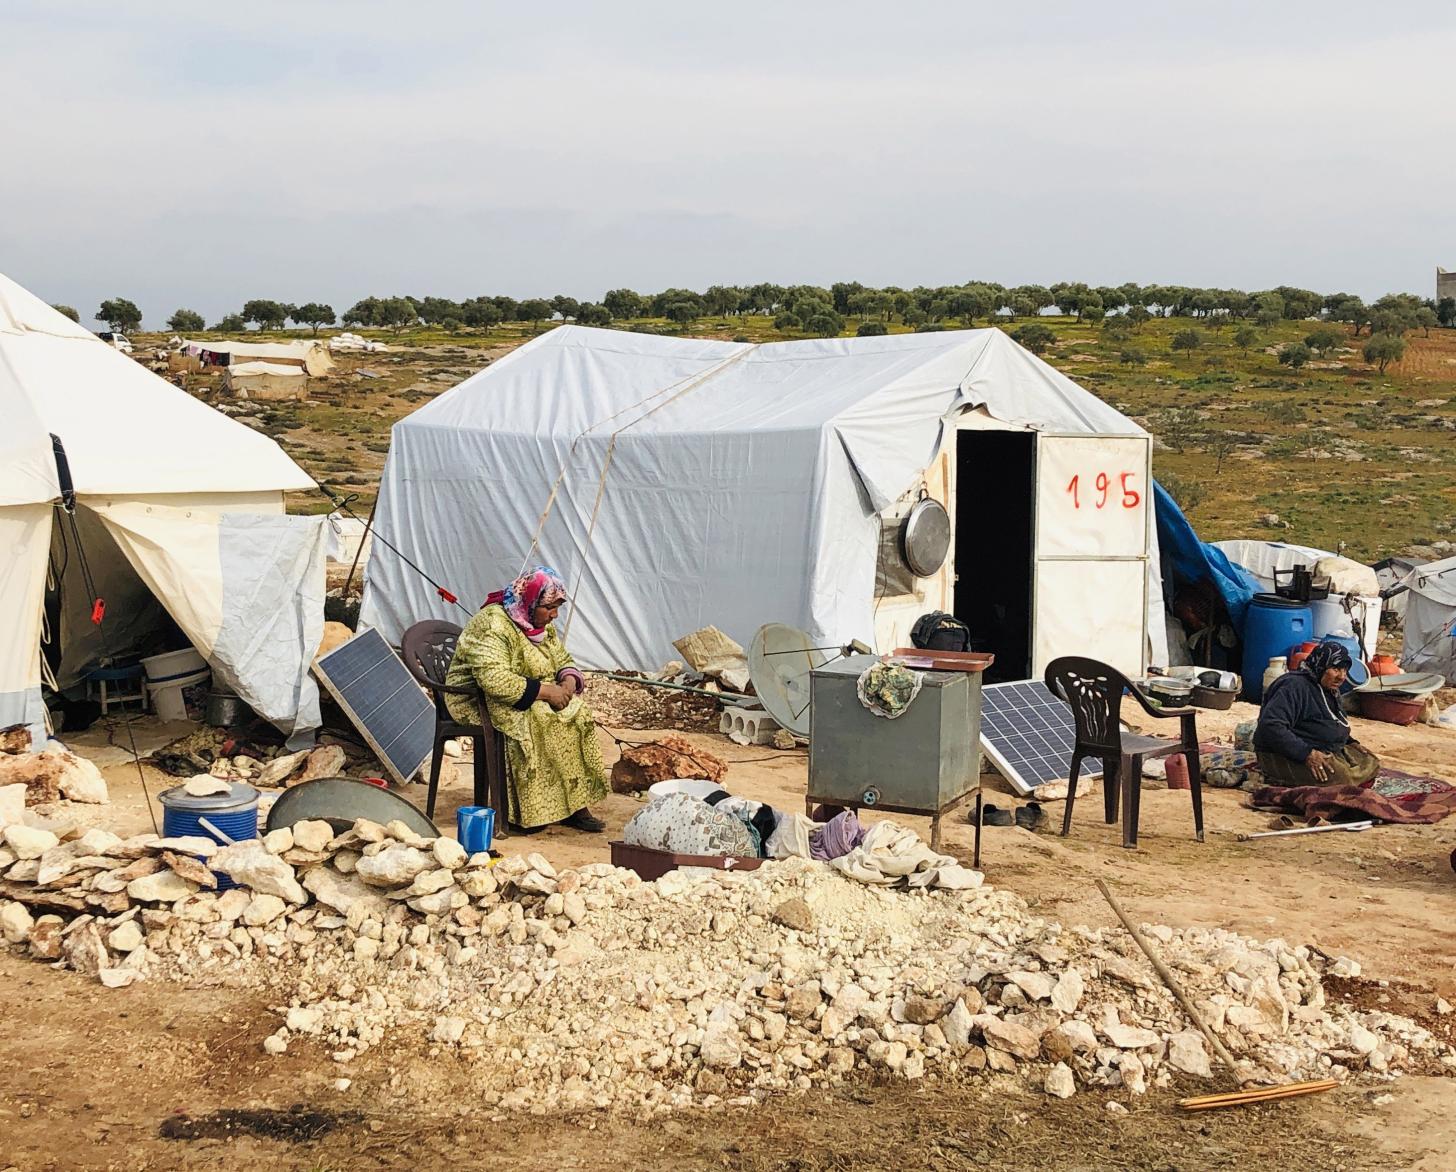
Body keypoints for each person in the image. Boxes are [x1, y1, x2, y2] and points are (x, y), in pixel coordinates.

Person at [444, 566, 607, 833]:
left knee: (577, 713)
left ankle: (574, 805)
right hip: (477, 699)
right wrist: (547, 692)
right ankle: (529, 812)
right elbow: (493, 679)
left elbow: (562, 659)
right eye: (549, 607)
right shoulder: (493, 623)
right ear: (529, 601)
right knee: (539, 719)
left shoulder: (540, 624)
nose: (554, 615)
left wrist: (566, 683)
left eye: (558, 607)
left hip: (526, 691)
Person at [1253, 641, 1380, 787]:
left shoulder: (1328, 689)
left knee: (1371, 761)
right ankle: (1273, 777)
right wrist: (1307, 754)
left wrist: (1350, 742)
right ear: (1321, 665)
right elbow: (1271, 725)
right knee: (1342, 779)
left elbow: (1331, 721)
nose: (1342, 676)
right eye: (1336, 669)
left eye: (1345, 670)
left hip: (1324, 748)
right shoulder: (1294, 686)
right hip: (1284, 754)